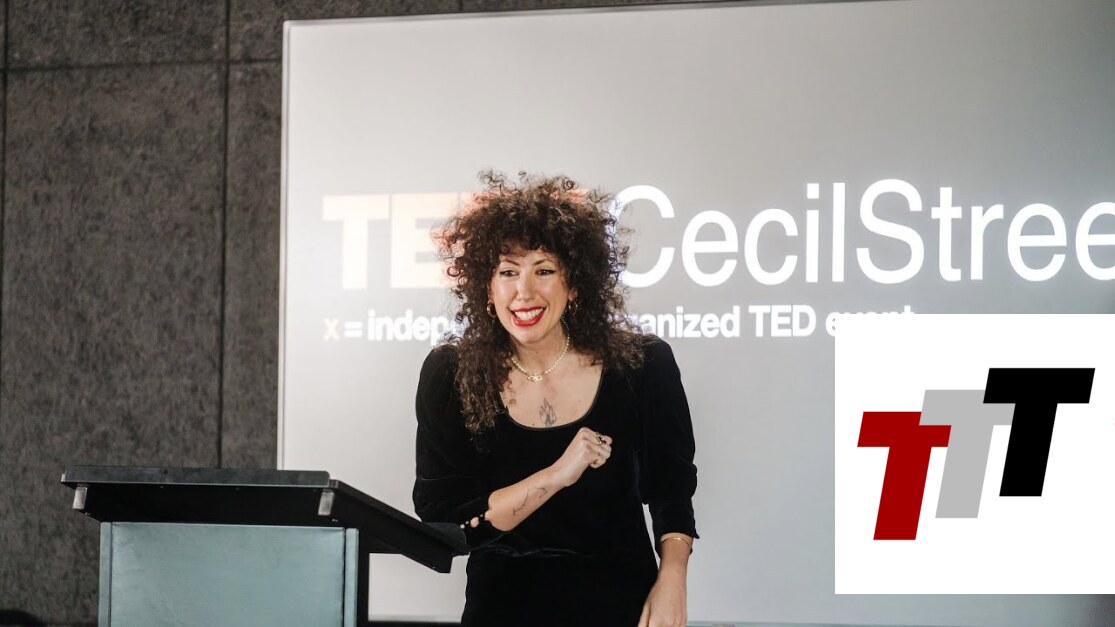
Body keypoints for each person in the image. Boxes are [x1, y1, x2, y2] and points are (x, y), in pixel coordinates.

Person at [413, 171, 698, 627]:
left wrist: (673, 581)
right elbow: (448, 521)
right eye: (508, 272)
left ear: (575, 284)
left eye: (544, 270)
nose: (524, 292)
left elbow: (672, 491)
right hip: (502, 608)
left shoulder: (642, 365)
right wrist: (557, 475)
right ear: (486, 288)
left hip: (620, 603)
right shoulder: (450, 374)